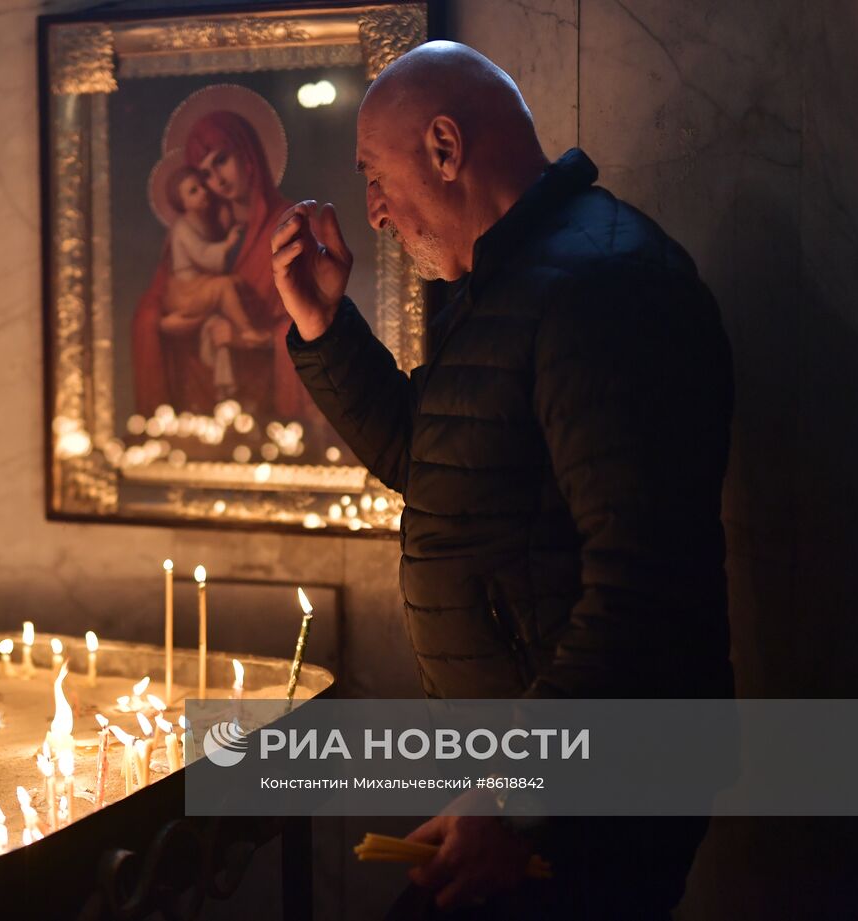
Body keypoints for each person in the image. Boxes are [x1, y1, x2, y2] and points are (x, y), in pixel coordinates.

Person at [271, 41, 734, 919]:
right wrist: (325, 325)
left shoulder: (601, 285)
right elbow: (436, 459)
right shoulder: (514, 282)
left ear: (445, 147)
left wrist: (515, 794)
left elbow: (644, 582)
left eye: (375, 175)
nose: (371, 213)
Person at [133, 104, 315, 419]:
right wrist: (167, 325)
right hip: (200, 405)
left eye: (221, 160)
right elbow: (151, 311)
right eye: (204, 174)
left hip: (270, 412)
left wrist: (249, 338)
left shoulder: (293, 225)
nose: (216, 179)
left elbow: (312, 322)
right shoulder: (202, 230)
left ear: (248, 154)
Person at [158, 163, 271, 348]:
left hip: (198, 284)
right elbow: (202, 255)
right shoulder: (182, 227)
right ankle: (247, 331)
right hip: (186, 290)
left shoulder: (202, 220)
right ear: (182, 203)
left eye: (202, 186)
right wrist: (227, 244)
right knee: (224, 286)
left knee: (236, 283)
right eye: (193, 191)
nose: (203, 191)